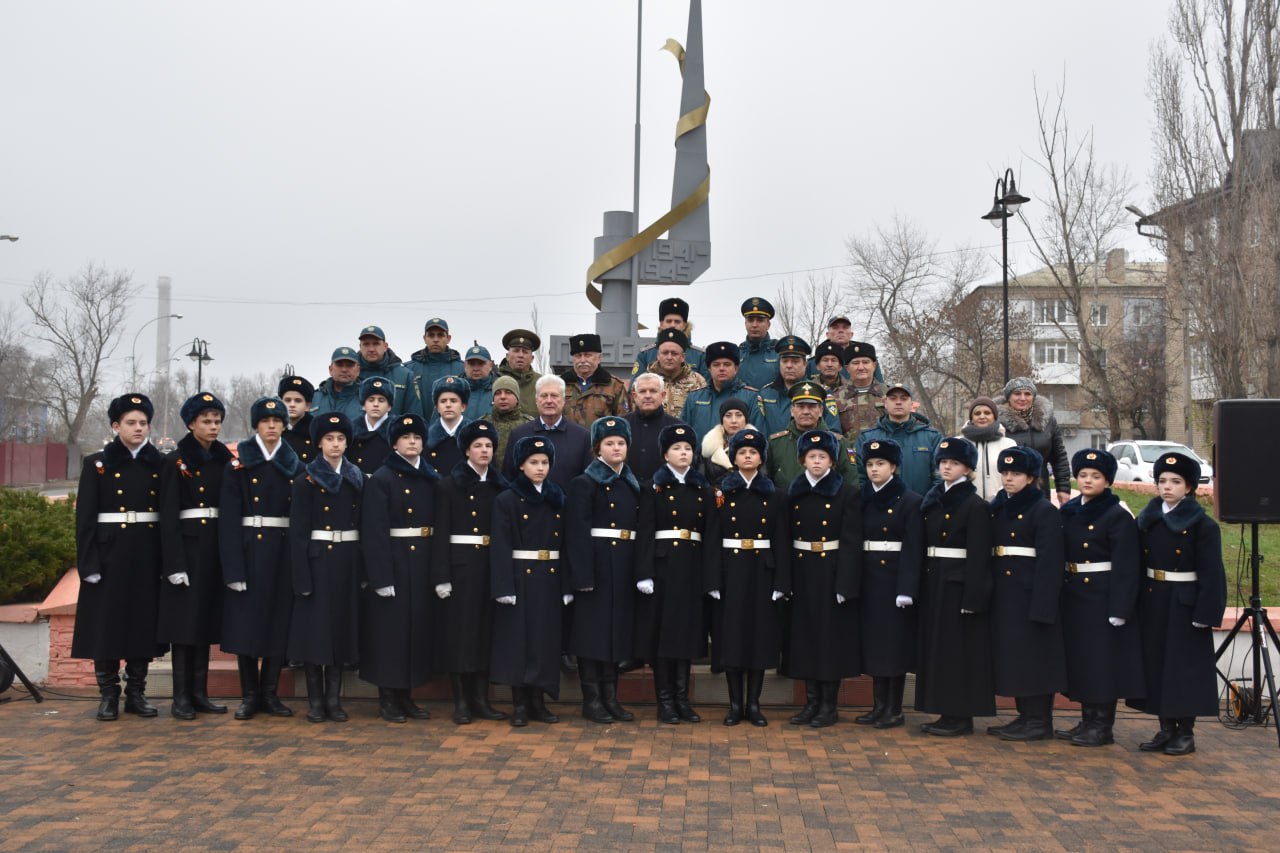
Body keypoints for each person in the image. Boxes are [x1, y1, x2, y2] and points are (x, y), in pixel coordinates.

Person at [73, 393, 166, 722]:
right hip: (110, 555)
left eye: (143, 423)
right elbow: (84, 519)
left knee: (143, 625)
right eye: (131, 423)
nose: (138, 428)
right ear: (116, 426)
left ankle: (137, 693)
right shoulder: (97, 464)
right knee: (106, 627)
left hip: (145, 553)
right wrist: (88, 564)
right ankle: (109, 694)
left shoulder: (159, 463)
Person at [1130, 452, 1226, 756]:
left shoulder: (1202, 525)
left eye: (1175, 481)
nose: (1167, 487)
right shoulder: (1149, 519)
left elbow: (1212, 572)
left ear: (1190, 487)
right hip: (1154, 598)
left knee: (1182, 668)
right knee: (1156, 664)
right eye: (1162, 481)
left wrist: (1206, 611)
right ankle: (1165, 728)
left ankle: (1185, 731)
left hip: (1184, 603)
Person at [219, 397, 301, 721]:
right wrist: (233, 567)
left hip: (282, 551)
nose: (272, 426)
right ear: (256, 425)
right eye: (266, 420)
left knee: (277, 625)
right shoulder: (239, 465)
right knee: (246, 626)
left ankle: (270, 693)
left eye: (277, 420)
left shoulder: (295, 464)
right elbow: (228, 520)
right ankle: (249, 694)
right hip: (250, 549)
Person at [1056, 448, 1144, 747]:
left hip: (1102, 594)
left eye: (1095, 476)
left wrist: (1120, 606)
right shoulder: (1069, 511)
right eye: (1082, 475)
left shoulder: (1116, 514)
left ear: (1107, 481)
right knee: (1080, 659)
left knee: (1102, 662)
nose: (1088, 481)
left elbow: (1127, 565)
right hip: (1074, 592)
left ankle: (1102, 725)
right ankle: (1086, 719)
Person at [777, 430, 863, 729]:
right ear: (802, 460)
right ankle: (811, 702)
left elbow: (851, 542)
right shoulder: (793, 492)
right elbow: (785, 538)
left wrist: (845, 583)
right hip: (802, 570)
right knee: (805, 639)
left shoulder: (847, 493)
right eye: (811, 457)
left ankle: (829, 705)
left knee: (829, 640)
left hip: (831, 570)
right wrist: (784, 581)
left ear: (832, 461)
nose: (816, 461)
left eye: (822, 457)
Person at [359, 413, 439, 723]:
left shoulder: (431, 477)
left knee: (415, 631)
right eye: (406, 438)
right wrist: (380, 576)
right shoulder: (382, 478)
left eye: (417, 438)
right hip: (394, 561)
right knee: (390, 634)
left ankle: (407, 695)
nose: (412, 442)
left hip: (421, 563)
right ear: (394, 443)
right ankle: (388, 697)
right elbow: (374, 531)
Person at [158, 392, 232, 719]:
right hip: (187, 551)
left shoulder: (223, 460)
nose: (213, 427)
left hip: (213, 549)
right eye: (206, 421)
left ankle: (200, 694)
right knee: (184, 628)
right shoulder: (175, 461)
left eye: (217, 421)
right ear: (191, 424)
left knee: (203, 624)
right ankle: (181, 697)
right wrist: (173, 563)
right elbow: (169, 516)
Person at [915, 437, 995, 737]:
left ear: (967, 469)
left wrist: (974, 596)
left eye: (954, 463)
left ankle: (960, 716)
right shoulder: (933, 500)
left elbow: (978, 555)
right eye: (943, 462)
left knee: (958, 651)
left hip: (958, 585)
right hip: (935, 579)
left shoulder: (974, 505)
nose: (947, 467)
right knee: (938, 649)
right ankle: (944, 711)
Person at [489, 435, 572, 726]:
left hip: (549, 577)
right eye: (533, 462)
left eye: (545, 462)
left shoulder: (556, 497)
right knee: (519, 642)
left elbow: (565, 545)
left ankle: (539, 701)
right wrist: (503, 587)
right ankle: (520, 704)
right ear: (521, 465)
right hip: (520, 577)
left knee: (544, 641)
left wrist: (566, 586)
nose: (540, 468)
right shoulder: (507, 499)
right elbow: (501, 545)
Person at [987, 445, 1067, 742]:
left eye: (1016, 473)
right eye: (1005, 472)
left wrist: (1044, 604)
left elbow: (1050, 561)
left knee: (1035, 658)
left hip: (1029, 591)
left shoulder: (1042, 510)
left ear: (1032, 477)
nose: (1009, 478)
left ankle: (1039, 720)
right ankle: (1025, 716)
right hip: (1007, 593)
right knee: (1016, 657)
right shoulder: (1000, 505)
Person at [432, 420, 510, 724]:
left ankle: (481, 700)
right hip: (460, 567)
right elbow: (440, 534)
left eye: (489, 445)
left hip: (489, 566)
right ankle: (461, 701)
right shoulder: (449, 485)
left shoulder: (500, 485)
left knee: (484, 635)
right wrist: (441, 576)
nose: (484, 450)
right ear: (467, 450)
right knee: (461, 635)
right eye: (478, 445)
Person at [705, 428, 784, 726]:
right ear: (733, 458)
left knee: (759, 638)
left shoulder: (774, 494)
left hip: (762, 570)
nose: (748, 456)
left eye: (753, 452)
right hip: (731, 570)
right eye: (742, 452)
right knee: (732, 638)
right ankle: (734, 704)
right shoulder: (722, 492)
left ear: (761, 458)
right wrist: (712, 579)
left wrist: (781, 582)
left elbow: (781, 539)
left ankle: (754, 704)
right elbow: (713, 538)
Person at [635, 424, 713, 723]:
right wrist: (644, 572)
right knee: (664, 637)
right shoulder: (652, 488)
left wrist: (709, 577)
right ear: (665, 454)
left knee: (687, 636)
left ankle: (682, 699)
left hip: (691, 567)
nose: (684, 453)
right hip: (663, 567)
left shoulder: (702, 488)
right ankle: (664, 700)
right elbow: (644, 532)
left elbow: (710, 533)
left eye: (688, 449)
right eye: (677, 448)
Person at [289, 412, 363, 723]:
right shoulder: (306, 480)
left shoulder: (355, 477)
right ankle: (315, 701)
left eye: (341, 439)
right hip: (318, 560)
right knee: (315, 634)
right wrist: (301, 574)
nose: (335, 444)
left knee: (339, 631)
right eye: (330, 439)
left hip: (346, 559)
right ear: (319, 442)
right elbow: (298, 532)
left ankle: (334, 700)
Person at [566, 416, 642, 724]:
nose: (616, 448)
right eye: (609, 443)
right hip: (595, 567)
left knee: (616, 634)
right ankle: (592, 699)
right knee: (592, 635)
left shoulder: (632, 484)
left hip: (622, 566)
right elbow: (577, 533)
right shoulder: (584, 483)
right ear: (598, 448)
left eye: (621, 443)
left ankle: (612, 698)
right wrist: (582, 576)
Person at [856, 438, 923, 729]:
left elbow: (913, 548)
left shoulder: (910, 501)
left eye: (880, 464)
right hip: (870, 578)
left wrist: (907, 588)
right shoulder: (862, 499)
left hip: (895, 580)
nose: (874, 470)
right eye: (870, 464)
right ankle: (878, 706)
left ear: (894, 467)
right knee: (874, 644)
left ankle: (894, 709)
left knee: (893, 646)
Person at [501, 375, 592, 488]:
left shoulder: (582, 437)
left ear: (563, 401)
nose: (549, 401)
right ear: (536, 401)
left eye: (554, 396)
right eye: (544, 396)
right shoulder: (519, 435)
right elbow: (509, 477)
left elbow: (587, 482)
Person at [856, 382, 941, 496]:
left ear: (912, 404)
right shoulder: (867, 438)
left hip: (920, 509)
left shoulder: (932, 437)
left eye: (904, 398)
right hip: (879, 509)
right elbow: (859, 477)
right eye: (893, 398)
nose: (898, 402)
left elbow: (940, 477)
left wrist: (928, 504)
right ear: (885, 403)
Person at [766, 382, 858, 487]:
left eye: (812, 406)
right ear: (792, 410)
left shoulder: (838, 443)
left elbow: (851, 485)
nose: (806, 411)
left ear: (821, 410)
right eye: (800, 406)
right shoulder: (776, 443)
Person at [997, 377, 1071, 505]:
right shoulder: (997, 423)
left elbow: (1059, 457)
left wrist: (1063, 488)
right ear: (1008, 397)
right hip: (1008, 489)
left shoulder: (1048, 421)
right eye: (1017, 393)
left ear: (1033, 397)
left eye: (1027, 394)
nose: (1023, 398)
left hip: (1040, 488)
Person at [679, 341, 761, 442]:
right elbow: (683, 434)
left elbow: (759, 435)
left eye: (727, 364)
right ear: (709, 369)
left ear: (736, 368)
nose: (721, 369)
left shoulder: (751, 397)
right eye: (716, 365)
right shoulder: (694, 398)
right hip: (700, 456)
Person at [758, 336, 839, 435]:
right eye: (785, 361)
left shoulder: (822, 392)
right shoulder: (766, 393)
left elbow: (834, 432)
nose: (789, 366)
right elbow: (760, 431)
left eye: (795, 361)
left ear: (805, 364)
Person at [629, 297, 708, 383]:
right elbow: (634, 388)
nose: (672, 325)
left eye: (677, 322)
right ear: (661, 324)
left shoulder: (700, 356)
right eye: (669, 321)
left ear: (685, 325)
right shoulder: (645, 355)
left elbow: (708, 389)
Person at [623, 372, 683, 482]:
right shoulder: (622, 425)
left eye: (653, 391)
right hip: (628, 490)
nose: (647, 396)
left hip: (663, 492)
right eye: (642, 391)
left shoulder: (677, 427)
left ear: (663, 395)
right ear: (635, 396)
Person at [561, 333, 630, 427]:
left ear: (599, 358)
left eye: (587, 355)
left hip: (601, 441)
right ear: (573, 359)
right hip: (568, 441)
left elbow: (624, 421)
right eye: (578, 355)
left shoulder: (614, 386)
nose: (582, 360)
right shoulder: (560, 385)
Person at [356, 324, 421, 417]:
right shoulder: (351, 375)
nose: (371, 349)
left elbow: (414, 415)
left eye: (376, 344)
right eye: (366, 344)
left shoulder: (405, 376)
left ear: (385, 346)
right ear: (360, 347)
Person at [404, 317, 465, 417]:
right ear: (424, 338)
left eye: (440, 335)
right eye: (431, 335)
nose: (435, 339)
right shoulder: (409, 369)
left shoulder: (462, 369)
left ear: (448, 338)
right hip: (417, 431)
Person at [961, 395, 1017, 501]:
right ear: (971, 417)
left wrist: (998, 499)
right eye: (977, 413)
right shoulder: (960, 443)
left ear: (994, 416)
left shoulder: (1008, 444)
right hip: (967, 506)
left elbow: (1013, 476)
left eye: (987, 413)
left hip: (1000, 505)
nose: (982, 416)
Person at [829, 341, 887, 439]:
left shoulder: (889, 394)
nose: (861, 367)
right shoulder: (835, 397)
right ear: (847, 368)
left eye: (865, 362)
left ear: (874, 365)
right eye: (855, 363)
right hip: (849, 452)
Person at [650, 328, 707, 418]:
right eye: (665, 353)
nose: (669, 357)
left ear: (683, 357)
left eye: (674, 353)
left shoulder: (698, 381)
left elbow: (703, 415)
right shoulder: (645, 381)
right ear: (658, 356)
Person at [701, 398, 758, 486]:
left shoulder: (758, 446)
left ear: (745, 419)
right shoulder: (710, 448)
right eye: (728, 415)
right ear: (722, 420)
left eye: (739, 415)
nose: (733, 420)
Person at [346, 376, 394, 476]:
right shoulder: (351, 429)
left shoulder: (397, 430)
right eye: (371, 400)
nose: (375, 404)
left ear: (389, 406)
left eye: (381, 400)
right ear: (363, 405)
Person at [426, 375, 471, 475]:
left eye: (453, 401)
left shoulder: (475, 436)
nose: (448, 405)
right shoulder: (427, 439)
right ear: (437, 407)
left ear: (463, 406)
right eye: (443, 401)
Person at [496, 328, 543, 416]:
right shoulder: (495, 380)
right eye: (516, 351)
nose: (520, 355)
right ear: (507, 356)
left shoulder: (542, 383)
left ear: (532, 358)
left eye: (525, 352)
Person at [737, 297, 779, 391]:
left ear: (768, 324)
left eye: (760, 320)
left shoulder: (779, 352)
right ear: (745, 323)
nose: (755, 325)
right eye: (751, 320)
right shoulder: (737, 353)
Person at [489, 374, 533, 463]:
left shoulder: (529, 424)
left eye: (508, 392)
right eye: (498, 393)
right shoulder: (484, 424)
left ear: (517, 398)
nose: (502, 397)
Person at [311, 346, 363, 420]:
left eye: (349, 365)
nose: (344, 369)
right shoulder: (314, 398)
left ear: (358, 370)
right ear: (330, 369)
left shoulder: (367, 398)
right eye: (339, 365)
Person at [278, 375, 316, 463]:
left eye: (298, 401)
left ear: (307, 406)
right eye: (287, 400)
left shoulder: (316, 432)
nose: (292, 404)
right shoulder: (274, 430)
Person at [461, 342, 496, 420]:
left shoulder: (499, 392)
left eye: (481, 363)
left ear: (490, 366)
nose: (476, 368)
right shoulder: (454, 390)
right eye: (471, 364)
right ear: (465, 366)